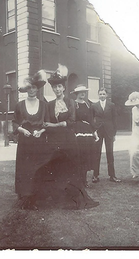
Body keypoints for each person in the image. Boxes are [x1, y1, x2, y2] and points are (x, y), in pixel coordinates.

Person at [42, 64, 99, 210]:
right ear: (52, 89)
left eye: (60, 87)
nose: (57, 90)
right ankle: (58, 197)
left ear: (64, 88)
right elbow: (47, 123)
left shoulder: (70, 102)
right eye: (55, 88)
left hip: (69, 140)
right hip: (55, 141)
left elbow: (72, 122)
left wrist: (55, 125)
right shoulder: (49, 105)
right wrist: (49, 128)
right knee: (57, 169)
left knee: (70, 169)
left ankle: (72, 198)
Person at [13, 71, 49, 210]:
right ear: (26, 89)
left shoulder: (44, 105)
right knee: (24, 169)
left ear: (37, 89)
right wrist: (22, 130)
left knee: (37, 169)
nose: (32, 90)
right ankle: (24, 196)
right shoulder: (19, 105)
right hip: (25, 143)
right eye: (29, 88)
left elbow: (47, 123)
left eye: (34, 87)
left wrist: (41, 131)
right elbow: (15, 123)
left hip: (39, 142)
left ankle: (35, 197)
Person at [90, 88, 121, 183]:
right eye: (100, 94)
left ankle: (112, 176)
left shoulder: (111, 105)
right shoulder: (94, 105)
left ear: (106, 95)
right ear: (98, 95)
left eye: (104, 94)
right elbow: (91, 119)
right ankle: (95, 176)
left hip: (109, 131)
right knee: (96, 153)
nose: (102, 95)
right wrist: (93, 131)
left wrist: (114, 133)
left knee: (110, 153)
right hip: (98, 132)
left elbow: (115, 119)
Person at [71, 84, 98, 187]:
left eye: (84, 92)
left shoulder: (87, 105)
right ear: (77, 93)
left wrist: (94, 132)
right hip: (78, 131)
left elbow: (91, 120)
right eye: (81, 92)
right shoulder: (73, 104)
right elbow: (72, 119)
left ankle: (84, 180)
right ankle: (78, 180)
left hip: (87, 132)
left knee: (86, 156)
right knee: (79, 156)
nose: (83, 94)